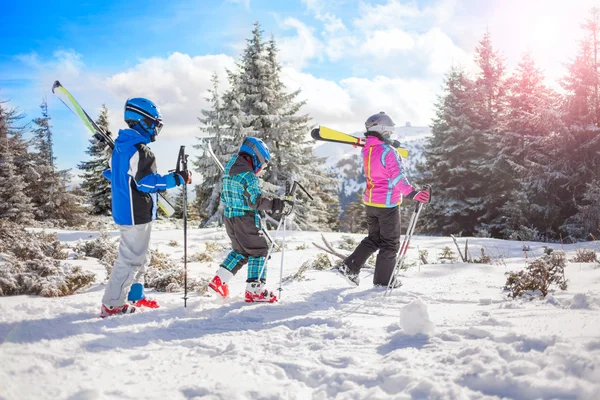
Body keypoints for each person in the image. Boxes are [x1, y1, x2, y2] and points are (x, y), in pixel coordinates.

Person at [100, 98, 192, 317]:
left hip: (127, 211)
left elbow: (112, 174)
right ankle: (112, 304)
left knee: (140, 256)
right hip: (135, 213)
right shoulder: (142, 151)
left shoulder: (121, 147)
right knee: (131, 259)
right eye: (155, 124)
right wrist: (177, 178)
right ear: (143, 121)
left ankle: (135, 296)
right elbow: (145, 183)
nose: (156, 130)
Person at [337, 112, 429, 288]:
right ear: (383, 130)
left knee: (374, 239)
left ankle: (349, 267)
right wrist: (412, 193)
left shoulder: (368, 149)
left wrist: (389, 144)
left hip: (371, 202)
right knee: (390, 244)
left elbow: (375, 145)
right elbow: (397, 178)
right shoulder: (389, 152)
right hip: (387, 204)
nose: (391, 135)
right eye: (389, 132)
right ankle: (383, 281)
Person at [208, 137, 293, 302]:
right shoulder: (248, 176)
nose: (260, 170)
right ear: (256, 158)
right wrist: (277, 204)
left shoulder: (230, 170)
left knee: (241, 251)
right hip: (245, 219)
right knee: (259, 250)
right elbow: (255, 201)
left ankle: (220, 280)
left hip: (230, 217)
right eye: (262, 165)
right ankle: (255, 290)